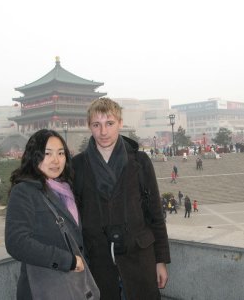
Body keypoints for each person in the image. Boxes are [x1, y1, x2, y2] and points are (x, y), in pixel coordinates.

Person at [72, 97, 170, 300]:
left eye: (109, 123)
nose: (103, 132)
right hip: (99, 262)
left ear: (120, 123)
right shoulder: (78, 166)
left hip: (139, 258)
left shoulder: (140, 161)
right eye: (96, 125)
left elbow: (155, 214)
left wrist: (160, 260)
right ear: (89, 126)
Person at [5, 129, 85, 299]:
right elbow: (16, 242)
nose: (56, 160)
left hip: (73, 286)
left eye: (61, 153)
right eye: (47, 154)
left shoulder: (67, 189)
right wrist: (67, 261)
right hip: (44, 287)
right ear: (34, 156)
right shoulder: (24, 191)